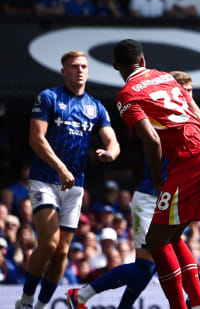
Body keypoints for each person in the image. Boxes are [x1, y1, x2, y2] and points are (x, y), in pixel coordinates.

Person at [67, 71, 200, 309]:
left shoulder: (186, 118)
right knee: (146, 265)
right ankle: (82, 294)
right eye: (185, 91)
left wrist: (188, 100)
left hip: (166, 199)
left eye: (191, 91)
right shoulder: (165, 120)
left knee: (148, 267)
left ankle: (93, 299)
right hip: (151, 198)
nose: (189, 96)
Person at [111, 39, 200, 309]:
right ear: (142, 61)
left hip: (192, 160)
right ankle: (197, 304)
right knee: (171, 237)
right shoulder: (165, 77)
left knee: (155, 240)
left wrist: (156, 178)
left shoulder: (127, 95)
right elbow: (198, 115)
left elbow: (151, 140)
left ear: (117, 66)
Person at [16, 50, 120, 309]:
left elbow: (113, 140)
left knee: (62, 251)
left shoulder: (95, 106)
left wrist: (110, 153)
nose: (80, 70)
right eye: (74, 67)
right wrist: (61, 168)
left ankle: (41, 306)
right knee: (49, 244)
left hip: (75, 185)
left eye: (83, 66)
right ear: (64, 71)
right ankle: (26, 300)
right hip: (45, 179)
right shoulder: (49, 97)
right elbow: (35, 138)